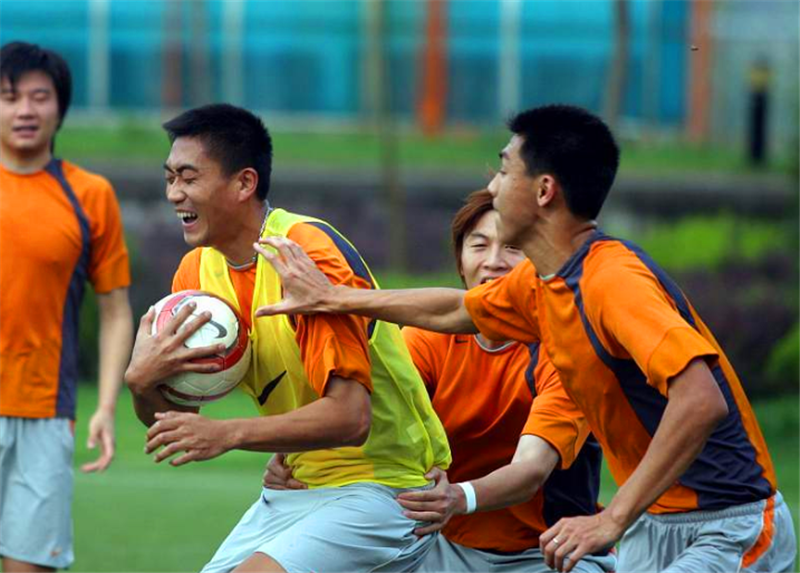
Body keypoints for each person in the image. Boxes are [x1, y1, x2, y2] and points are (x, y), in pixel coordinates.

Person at [253, 104, 797, 573]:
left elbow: (700, 401)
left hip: (728, 525)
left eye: (503, 170)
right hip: (654, 524)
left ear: (543, 190)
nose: (491, 186)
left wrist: (611, 517)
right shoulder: (543, 281)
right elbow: (454, 308)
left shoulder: (612, 281)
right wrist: (336, 298)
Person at [123, 103, 451, 573]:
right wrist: (142, 382)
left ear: (244, 183)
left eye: (189, 178)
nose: (175, 194)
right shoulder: (195, 273)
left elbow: (350, 417)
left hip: (388, 490)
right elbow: (177, 426)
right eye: (170, 177)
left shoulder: (305, 256)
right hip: (296, 488)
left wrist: (229, 432)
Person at [264, 189, 616, 573]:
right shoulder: (428, 342)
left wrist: (458, 497)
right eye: (478, 246)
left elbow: (530, 472)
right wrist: (292, 461)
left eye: (513, 248)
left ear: (539, 262)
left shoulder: (567, 351)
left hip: (550, 554)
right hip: (438, 547)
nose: (493, 262)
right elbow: (372, 423)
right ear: (460, 263)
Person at [0, 42, 133, 572]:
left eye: (39, 97)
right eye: (10, 98)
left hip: (46, 414)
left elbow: (116, 309)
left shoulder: (90, 194)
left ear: (61, 107)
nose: (25, 110)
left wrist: (104, 405)